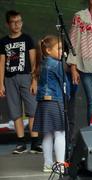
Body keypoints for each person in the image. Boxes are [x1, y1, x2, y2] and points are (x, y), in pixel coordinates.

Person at [0, 10, 42, 154]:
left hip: (26, 77)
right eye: (13, 22)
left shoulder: (27, 39)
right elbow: (1, 63)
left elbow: (34, 61)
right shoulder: (3, 41)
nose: (17, 24)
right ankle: (21, 143)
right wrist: (1, 84)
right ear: (8, 24)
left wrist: (34, 80)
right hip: (9, 78)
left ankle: (35, 142)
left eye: (19, 21)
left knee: (32, 110)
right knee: (15, 111)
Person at [32, 35, 68, 172]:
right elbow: (64, 83)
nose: (62, 51)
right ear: (48, 50)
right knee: (60, 133)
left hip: (43, 103)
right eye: (58, 48)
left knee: (47, 134)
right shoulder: (56, 64)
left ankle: (48, 163)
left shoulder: (41, 63)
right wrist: (67, 96)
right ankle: (60, 164)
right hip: (55, 101)